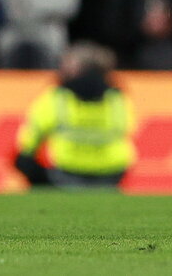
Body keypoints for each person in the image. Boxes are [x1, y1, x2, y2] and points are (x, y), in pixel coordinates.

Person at [14, 42, 135, 189]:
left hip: (67, 170)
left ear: (77, 68)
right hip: (111, 171)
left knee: (25, 163)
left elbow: (31, 135)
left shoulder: (57, 97)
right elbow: (127, 128)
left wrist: (25, 159)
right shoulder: (117, 98)